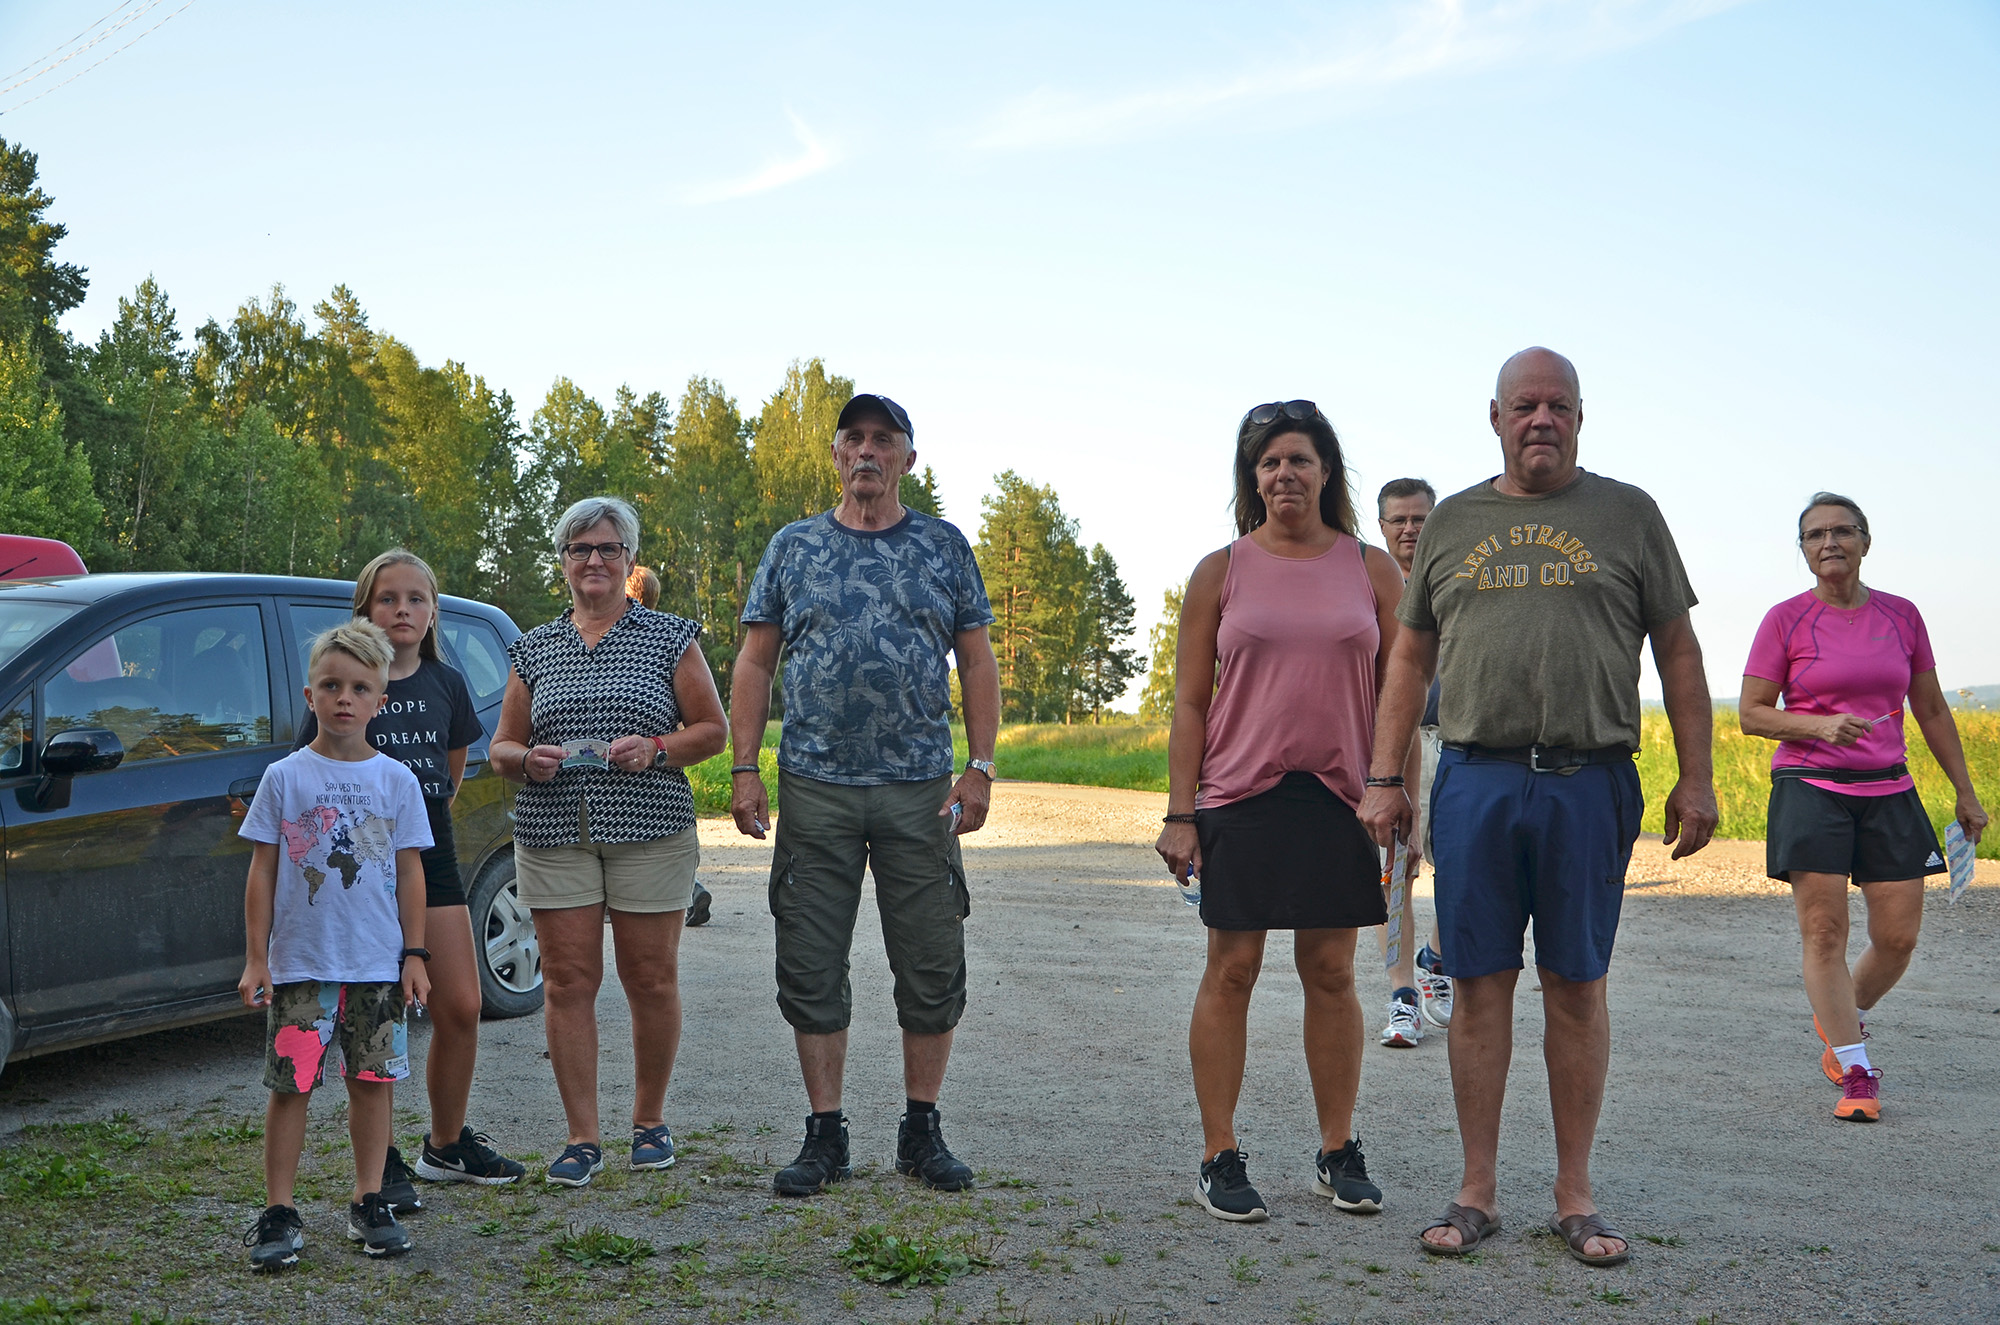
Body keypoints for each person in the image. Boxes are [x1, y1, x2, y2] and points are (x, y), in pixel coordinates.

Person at [1359, 348, 1718, 1268]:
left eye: (1559, 405)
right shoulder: (1453, 521)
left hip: (1589, 779)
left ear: (1581, 418)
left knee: (1577, 982)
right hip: (1476, 777)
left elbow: (1678, 650)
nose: (1542, 420)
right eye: (1525, 406)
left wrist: (1698, 774)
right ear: (1496, 418)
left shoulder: (1628, 514)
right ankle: (1476, 1189)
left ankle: (1575, 1194)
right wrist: (1385, 777)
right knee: (1479, 983)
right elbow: (1410, 657)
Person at [729, 392, 1001, 1197]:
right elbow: (755, 662)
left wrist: (980, 766)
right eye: (855, 438)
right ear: (837, 455)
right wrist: (745, 767)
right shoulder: (794, 547)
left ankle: (922, 1130)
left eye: (885, 440)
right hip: (815, 785)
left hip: (921, 788)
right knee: (811, 960)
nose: (868, 452)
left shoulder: (943, 546)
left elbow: (977, 661)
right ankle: (826, 1135)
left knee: (931, 959)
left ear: (908, 459)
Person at [1154, 400, 1407, 1223]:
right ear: (1252, 478)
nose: (1284, 474)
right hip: (1239, 796)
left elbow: (1402, 692)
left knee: (1331, 973)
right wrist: (1181, 813)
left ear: (1327, 470)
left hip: (1341, 799)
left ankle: (1337, 1150)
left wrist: (1396, 784)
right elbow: (1191, 702)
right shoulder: (1220, 571)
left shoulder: (1372, 569)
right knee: (1232, 970)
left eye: (1299, 459)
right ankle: (1218, 1154)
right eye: (1269, 462)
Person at [490, 496, 728, 1188]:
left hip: (650, 829)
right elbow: (502, 745)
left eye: (607, 548)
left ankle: (649, 1121)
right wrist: (524, 759)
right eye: (580, 548)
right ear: (563, 562)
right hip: (553, 831)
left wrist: (656, 748)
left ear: (629, 559)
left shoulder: (669, 637)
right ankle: (581, 1137)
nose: (594, 559)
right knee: (567, 982)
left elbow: (712, 730)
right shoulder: (534, 648)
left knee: (650, 978)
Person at [1739, 492, 1988, 1122]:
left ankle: (1839, 1018)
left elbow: (1931, 708)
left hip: (1889, 788)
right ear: (1803, 550)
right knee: (1825, 932)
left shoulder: (1902, 616)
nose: (1829, 542)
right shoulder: (1784, 620)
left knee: (1898, 938)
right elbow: (1752, 714)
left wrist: (1965, 791)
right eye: (1814, 534)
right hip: (1810, 785)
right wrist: (1818, 727)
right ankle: (1855, 1071)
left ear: (1865, 542)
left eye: (1842, 531)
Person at [296, 550, 526, 1206]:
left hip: (432, 857)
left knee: (461, 1005)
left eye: (416, 599)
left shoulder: (447, 683)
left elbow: (448, 776)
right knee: (376, 1016)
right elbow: (313, 773)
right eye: (388, 598)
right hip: (358, 866)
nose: (402, 610)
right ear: (365, 609)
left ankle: (445, 1146)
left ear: (433, 612)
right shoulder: (344, 685)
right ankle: (383, 1162)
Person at [238, 622, 433, 1268]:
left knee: (372, 1083)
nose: (344, 698)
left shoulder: (397, 781)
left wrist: (415, 954)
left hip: (377, 967)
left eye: (359, 688)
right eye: (330, 686)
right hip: (301, 966)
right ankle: (279, 1210)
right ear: (310, 695)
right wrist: (257, 957)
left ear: (380, 700)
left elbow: (411, 873)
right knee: (289, 1087)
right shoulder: (284, 778)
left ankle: (369, 1199)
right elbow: (262, 871)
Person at [1373, 478, 1452, 1047]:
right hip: (1392, 745)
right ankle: (1402, 996)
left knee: (1462, 866)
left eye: (1420, 519)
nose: (1409, 529)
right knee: (1394, 869)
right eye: (1398, 520)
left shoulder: (1458, 577)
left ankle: (1436, 959)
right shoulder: (1371, 588)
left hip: (1455, 741)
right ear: (1381, 527)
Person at [626, 562, 714, 928]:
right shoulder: (668, 638)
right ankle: (691, 888)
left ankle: (689, 891)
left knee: (646, 838)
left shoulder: (658, 638)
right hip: (668, 753)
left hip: (645, 756)